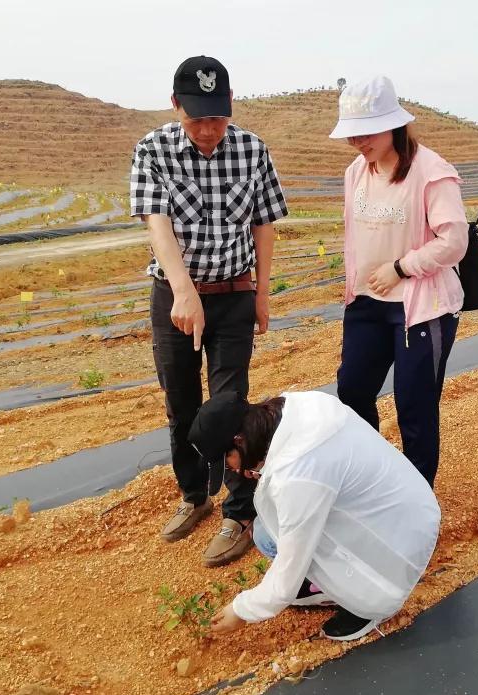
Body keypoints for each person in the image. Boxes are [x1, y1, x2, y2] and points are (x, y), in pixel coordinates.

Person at [129, 56, 289, 567]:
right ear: (176, 105)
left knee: (231, 405)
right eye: (197, 119)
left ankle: (239, 513)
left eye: (216, 118)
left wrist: (262, 293)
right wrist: (183, 291)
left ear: (230, 107)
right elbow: (158, 225)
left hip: (235, 293)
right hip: (174, 295)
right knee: (181, 403)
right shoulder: (153, 150)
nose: (207, 130)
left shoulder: (251, 149)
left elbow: (264, 224)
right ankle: (194, 495)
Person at [189, 390, 441, 641]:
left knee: (277, 534)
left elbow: (289, 568)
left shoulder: (298, 475)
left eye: (227, 461)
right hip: (412, 511)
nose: (232, 470)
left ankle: (366, 600)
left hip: (400, 548)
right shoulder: (297, 405)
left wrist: (241, 610)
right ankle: (327, 582)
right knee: (267, 529)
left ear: (240, 439)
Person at [329, 75, 468, 487]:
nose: (356, 142)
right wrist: (354, 280)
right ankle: (374, 479)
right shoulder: (356, 171)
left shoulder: (431, 171)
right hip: (367, 302)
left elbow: (454, 242)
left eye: (365, 132)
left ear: (393, 124)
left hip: (421, 309)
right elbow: (354, 233)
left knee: (414, 406)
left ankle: (417, 499)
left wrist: (401, 267)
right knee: (352, 392)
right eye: (351, 134)